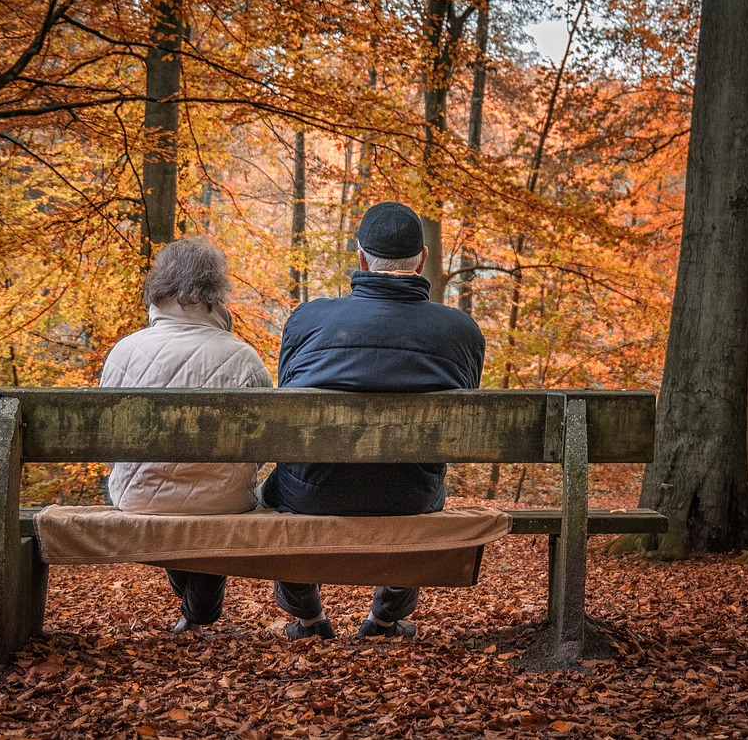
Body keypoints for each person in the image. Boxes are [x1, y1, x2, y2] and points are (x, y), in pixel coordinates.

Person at [260, 201, 486, 641]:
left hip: (312, 493)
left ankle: (307, 620)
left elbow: (289, 399)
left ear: (361, 259)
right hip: (409, 494)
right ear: (422, 260)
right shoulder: (460, 331)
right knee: (413, 482)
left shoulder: (308, 320)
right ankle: (385, 620)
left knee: (282, 486)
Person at [102, 237, 273, 635]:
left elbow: (109, 448)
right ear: (217, 293)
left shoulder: (124, 352)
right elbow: (264, 444)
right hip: (225, 499)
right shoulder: (242, 356)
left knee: (173, 504)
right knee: (209, 501)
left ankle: (197, 613)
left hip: (138, 497)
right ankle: (201, 612)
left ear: (159, 289)